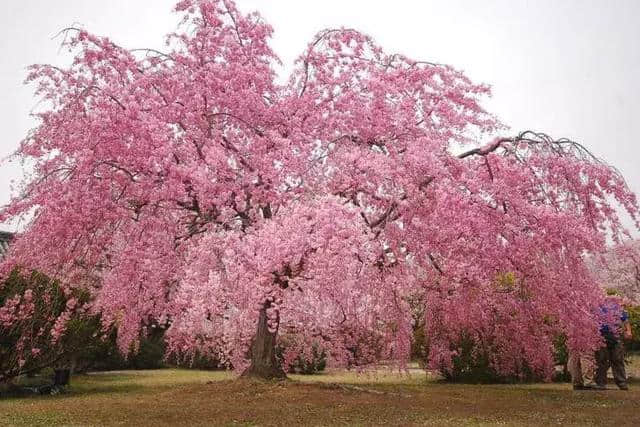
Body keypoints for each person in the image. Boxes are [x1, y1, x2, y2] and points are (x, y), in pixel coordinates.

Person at [593, 299, 633, 390]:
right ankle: (600, 383)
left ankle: (622, 383)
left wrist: (628, 331)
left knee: (617, 359)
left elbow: (625, 319)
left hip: (615, 335)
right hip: (600, 336)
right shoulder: (596, 304)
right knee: (601, 360)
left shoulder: (617, 306)